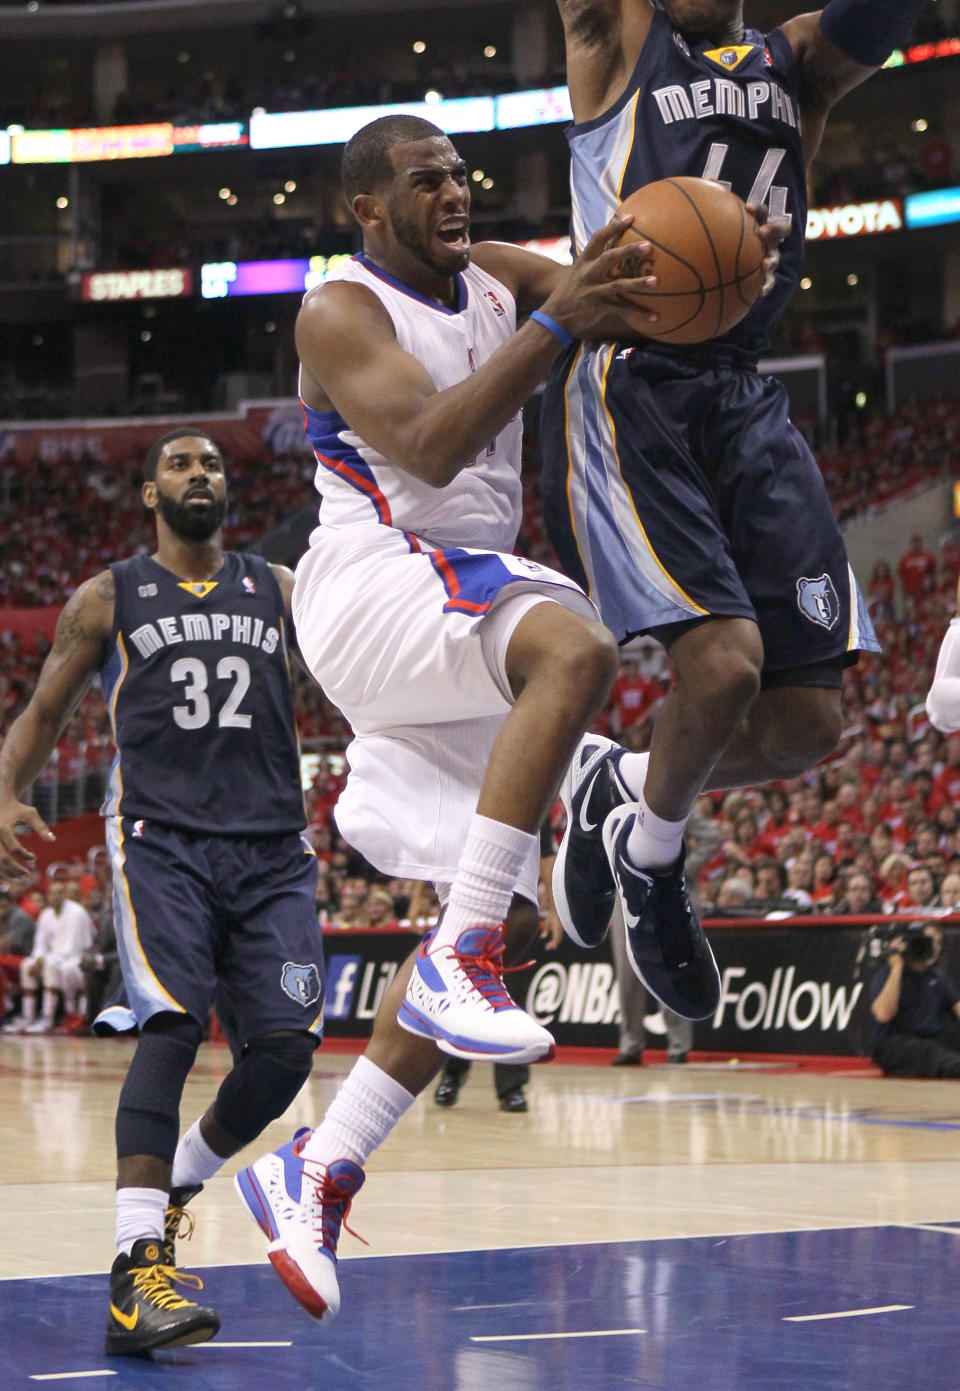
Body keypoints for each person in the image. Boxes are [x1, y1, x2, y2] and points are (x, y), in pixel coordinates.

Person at [234, 112, 669, 1323]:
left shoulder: (498, 276)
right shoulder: (339, 307)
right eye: (427, 180)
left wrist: (716, 256)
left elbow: (619, 276)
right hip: (383, 577)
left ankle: (319, 1162)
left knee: (518, 921)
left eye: (462, 176)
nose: (455, 193)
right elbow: (426, 441)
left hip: (453, 609)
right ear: (368, 208)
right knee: (575, 644)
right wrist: (559, 323)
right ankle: (499, 918)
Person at [543, 1, 926, 1016]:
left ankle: (620, 788)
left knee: (809, 723)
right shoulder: (614, 37)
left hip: (746, 391)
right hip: (636, 380)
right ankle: (656, 867)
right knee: (724, 665)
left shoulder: (793, 62)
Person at [0, 429, 325, 1355]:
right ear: (150, 493)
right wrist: (4, 791)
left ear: (228, 489)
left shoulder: (281, 587)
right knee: (173, 1028)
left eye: (213, 464)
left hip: (272, 849)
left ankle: (177, 1178)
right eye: (180, 465)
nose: (200, 475)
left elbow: (365, 676)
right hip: (160, 839)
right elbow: (43, 711)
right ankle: (134, 1269)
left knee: (286, 1052)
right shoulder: (107, 595)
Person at [870, 924, 960, 1077]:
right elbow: (883, 1015)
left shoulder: (937, 977)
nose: (933, 946)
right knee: (930, 1052)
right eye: (928, 940)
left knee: (948, 1038)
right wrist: (897, 966)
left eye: (938, 942)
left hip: (931, 1038)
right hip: (895, 1044)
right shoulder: (888, 974)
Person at [8, 878, 93, 1033]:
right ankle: (28, 1017)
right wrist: (39, 958)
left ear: (64, 894)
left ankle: (48, 1019)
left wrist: (45, 960)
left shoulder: (76, 912)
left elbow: (72, 948)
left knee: (51, 966)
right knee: (27, 965)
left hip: (73, 959)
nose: (55, 896)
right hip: (52, 958)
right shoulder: (46, 914)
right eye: (52, 893)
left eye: (59, 893)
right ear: (48, 896)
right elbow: (40, 943)